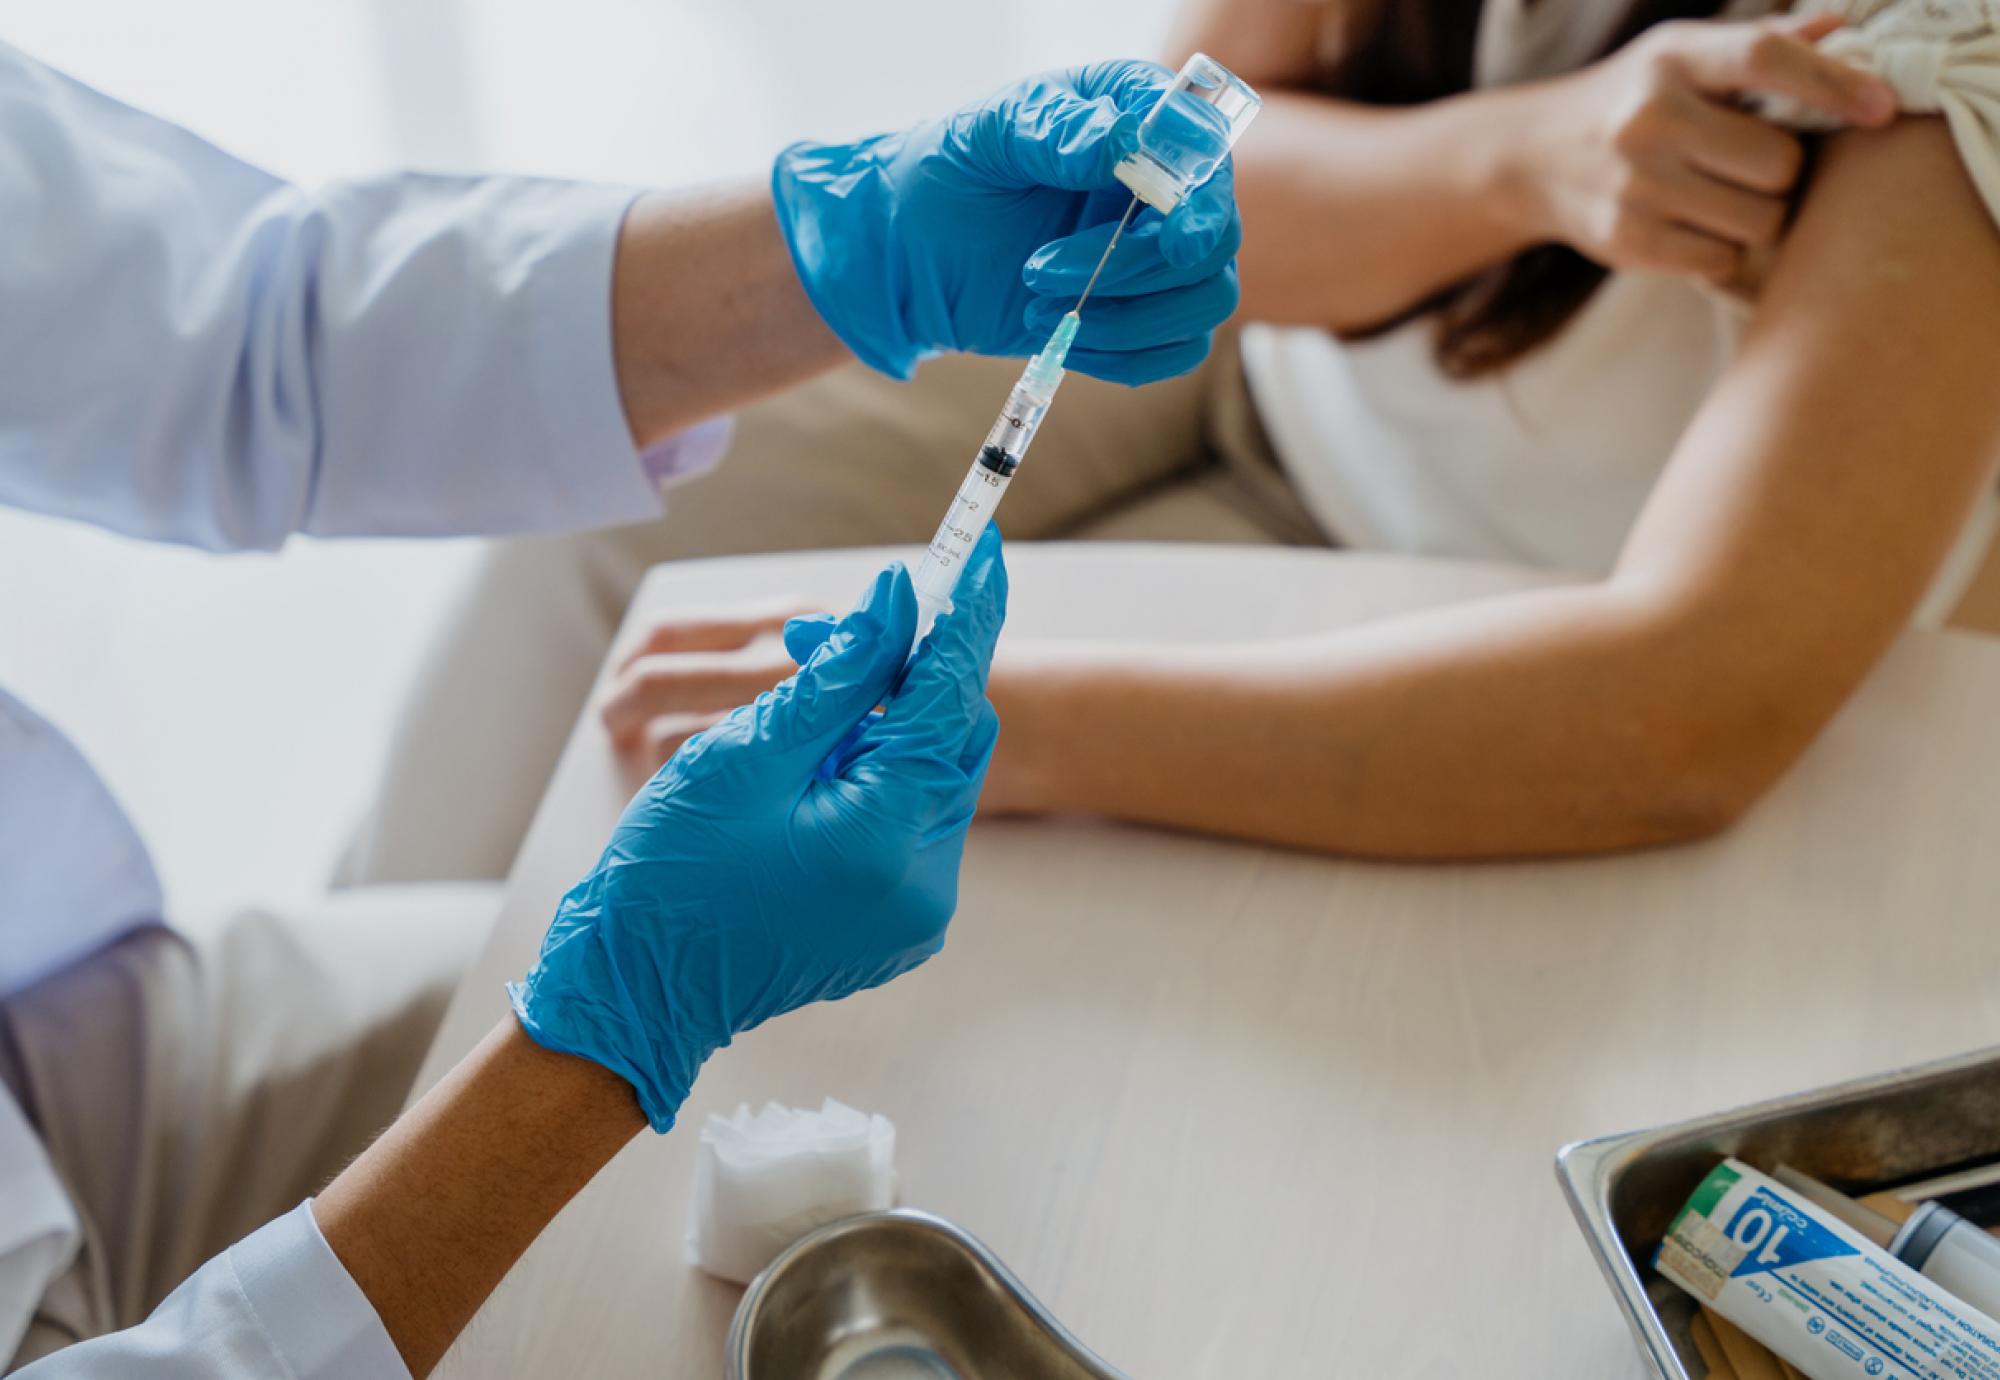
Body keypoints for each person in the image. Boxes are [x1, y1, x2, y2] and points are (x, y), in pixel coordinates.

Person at [0, 42, 1243, 1377]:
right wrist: (610, 1034)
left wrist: (850, 233)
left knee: (845, 1087)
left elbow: (242, 324)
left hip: (58, 1055)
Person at [351, 0, 2000, 879]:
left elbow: (1677, 717)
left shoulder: (1935, 63)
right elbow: (1193, 175)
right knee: (613, 521)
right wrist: (1526, 157)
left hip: (1488, 594)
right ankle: (354, 1045)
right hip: (1251, 359)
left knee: (892, 869)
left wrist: (990, 726)